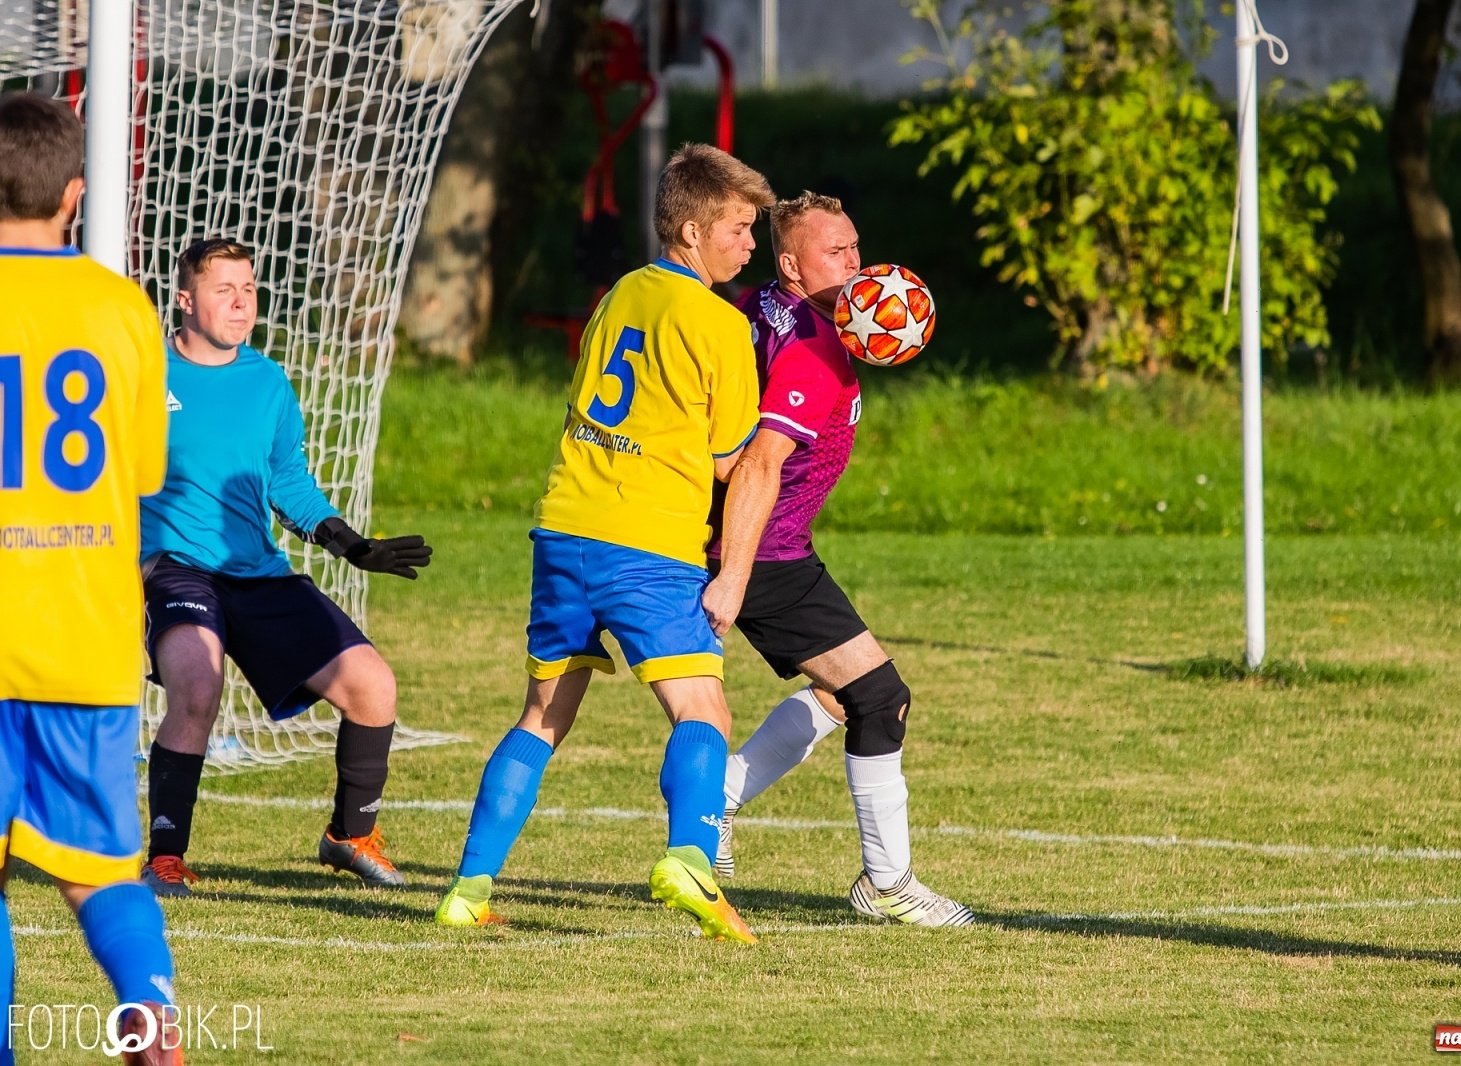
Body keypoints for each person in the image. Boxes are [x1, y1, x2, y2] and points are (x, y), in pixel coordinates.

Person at [434, 144, 771, 942]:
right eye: (738, 228)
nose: (749, 245)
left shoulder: (621, 293)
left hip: (563, 530)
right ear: (691, 231)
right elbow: (734, 461)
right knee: (705, 709)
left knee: (544, 714)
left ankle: (467, 888)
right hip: (646, 543)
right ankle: (689, 859)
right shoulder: (722, 326)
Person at [704, 192, 974, 927]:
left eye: (855, 248)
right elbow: (762, 462)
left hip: (774, 544)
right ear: (791, 264)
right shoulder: (816, 351)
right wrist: (733, 571)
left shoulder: (764, 306)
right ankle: (886, 884)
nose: (857, 266)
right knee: (880, 698)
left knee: (841, 695)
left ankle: (719, 798)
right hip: (760, 551)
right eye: (834, 253)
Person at [138, 238, 432, 897]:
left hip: (258, 573)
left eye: (249, 289)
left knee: (373, 686)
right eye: (224, 289)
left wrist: (352, 545)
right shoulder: (142, 373)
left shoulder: (267, 382)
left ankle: (349, 836)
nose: (241, 302)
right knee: (197, 682)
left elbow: (290, 484)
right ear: (185, 300)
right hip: (177, 569)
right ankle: (164, 857)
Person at [0, 91, 184, 1064]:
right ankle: (150, 1023)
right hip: (83, 639)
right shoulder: (122, 309)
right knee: (105, 873)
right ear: (74, 194)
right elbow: (144, 476)